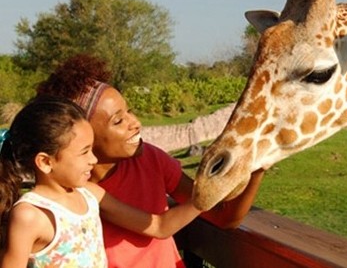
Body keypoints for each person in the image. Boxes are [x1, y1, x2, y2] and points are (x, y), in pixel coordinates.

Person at [35, 54, 264, 267]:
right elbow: (160, 226)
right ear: (84, 136)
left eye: (129, 112)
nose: (135, 123)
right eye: (118, 121)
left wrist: (257, 165)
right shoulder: (76, 194)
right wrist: (207, 194)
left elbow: (223, 216)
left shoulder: (150, 159)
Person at [0, 97, 207, 268]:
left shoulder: (89, 193)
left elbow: (159, 227)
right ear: (46, 162)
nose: (94, 159)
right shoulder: (30, 215)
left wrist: (206, 196)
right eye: (84, 152)